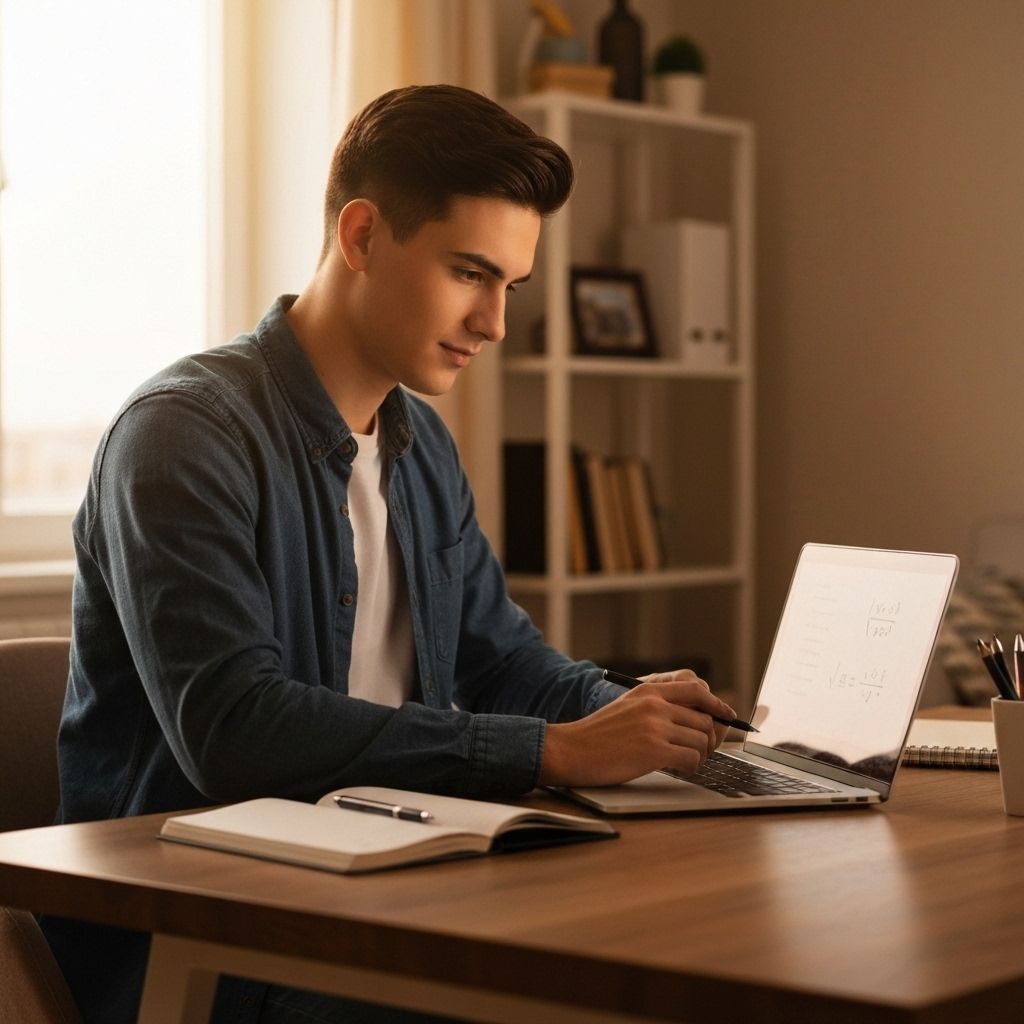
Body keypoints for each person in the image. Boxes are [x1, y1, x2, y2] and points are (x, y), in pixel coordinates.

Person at [43, 84, 735, 1024]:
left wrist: (641, 719)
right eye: (469, 274)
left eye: (509, 287)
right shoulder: (181, 435)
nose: (494, 323)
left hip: (387, 878)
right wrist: (555, 751)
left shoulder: (419, 441)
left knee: (688, 946)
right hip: (208, 935)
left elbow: (500, 656)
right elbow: (233, 730)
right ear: (361, 236)